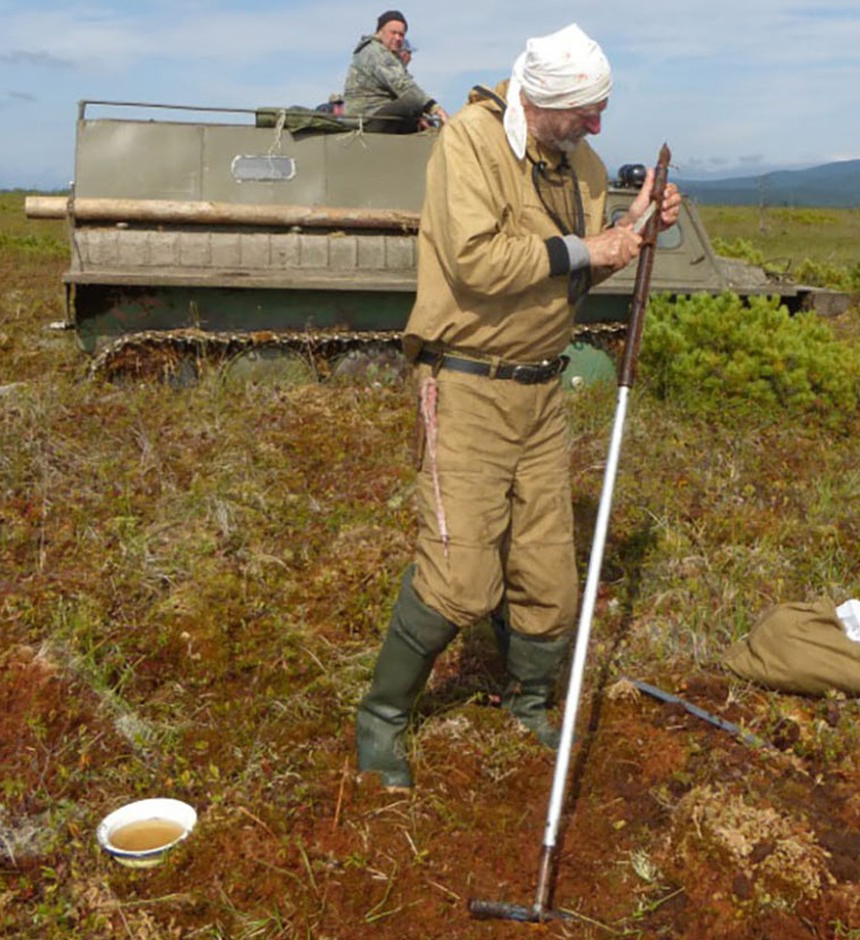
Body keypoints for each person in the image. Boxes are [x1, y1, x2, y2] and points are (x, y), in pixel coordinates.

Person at [355, 23, 681, 791]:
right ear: (544, 100)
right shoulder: (469, 142)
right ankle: (381, 720)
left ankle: (527, 701)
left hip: (542, 394)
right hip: (466, 385)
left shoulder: (584, 166)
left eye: (601, 111)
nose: (597, 127)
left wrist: (632, 230)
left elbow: (570, 278)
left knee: (547, 576)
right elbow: (474, 261)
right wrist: (587, 248)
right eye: (586, 112)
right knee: (462, 578)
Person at [343, 11, 449, 133]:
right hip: (368, 120)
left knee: (422, 117)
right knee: (413, 101)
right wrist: (437, 110)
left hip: (378, 117)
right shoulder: (374, 51)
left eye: (401, 35)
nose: (398, 38)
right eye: (393, 33)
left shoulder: (387, 55)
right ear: (379, 32)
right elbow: (402, 85)